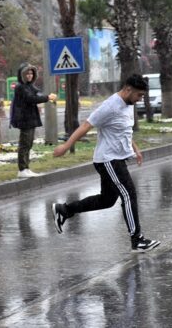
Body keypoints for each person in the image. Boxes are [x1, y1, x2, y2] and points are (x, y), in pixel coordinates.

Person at [50, 74, 161, 253]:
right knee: (128, 194)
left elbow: (122, 130)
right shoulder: (110, 106)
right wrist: (66, 146)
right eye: (139, 95)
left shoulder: (127, 104)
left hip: (116, 159)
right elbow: (86, 125)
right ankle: (137, 239)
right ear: (128, 89)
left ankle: (65, 210)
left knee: (107, 200)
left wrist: (136, 149)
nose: (140, 99)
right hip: (109, 159)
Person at [10, 63, 57, 178]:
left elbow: (37, 93)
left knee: (28, 144)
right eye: (27, 73)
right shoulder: (21, 87)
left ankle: (26, 168)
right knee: (24, 144)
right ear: (22, 75)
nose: (30, 76)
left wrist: (47, 96)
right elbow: (31, 99)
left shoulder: (29, 86)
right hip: (24, 119)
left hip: (30, 119)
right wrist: (47, 98)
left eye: (31, 73)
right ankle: (22, 169)